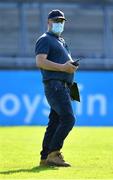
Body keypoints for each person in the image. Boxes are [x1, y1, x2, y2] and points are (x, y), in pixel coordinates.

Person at [35, 9, 79, 167]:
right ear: (48, 22)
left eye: (62, 21)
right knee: (68, 119)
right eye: (56, 21)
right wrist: (63, 68)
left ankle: (45, 157)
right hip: (55, 85)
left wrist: (70, 68)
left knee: (54, 122)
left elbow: (64, 65)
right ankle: (54, 153)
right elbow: (40, 61)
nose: (59, 24)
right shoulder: (45, 39)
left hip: (64, 86)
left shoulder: (61, 41)